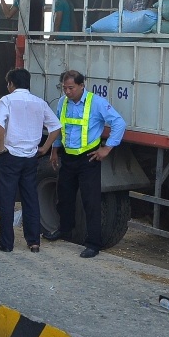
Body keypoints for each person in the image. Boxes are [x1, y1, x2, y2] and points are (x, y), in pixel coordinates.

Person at [42, 70, 126, 258]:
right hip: (68, 158)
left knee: (91, 202)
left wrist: (107, 148)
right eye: (64, 88)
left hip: (88, 159)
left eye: (71, 88)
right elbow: (58, 128)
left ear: (82, 86)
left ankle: (93, 243)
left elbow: (119, 123)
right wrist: (55, 150)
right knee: (64, 198)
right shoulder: (63, 103)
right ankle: (64, 230)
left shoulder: (96, 103)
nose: (67, 92)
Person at [0, 68, 61, 253]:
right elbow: (56, 127)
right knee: (30, 199)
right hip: (31, 157)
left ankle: (6, 243)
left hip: (10, 156)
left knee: (5, 200)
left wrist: (1, 148)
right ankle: (34, 241)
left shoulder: (6, 100)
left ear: (11, 84)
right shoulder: (39, 103)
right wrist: (45, 148)